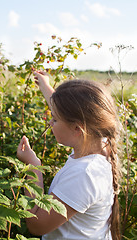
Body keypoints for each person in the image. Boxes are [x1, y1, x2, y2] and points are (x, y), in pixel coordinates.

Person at [16, 70, 121, 240]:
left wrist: (33, 167)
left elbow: (37, 225)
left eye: (54, 119)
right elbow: (69, 112)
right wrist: (45, 85)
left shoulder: (84, 175)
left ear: (77, 129)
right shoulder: (97, 142)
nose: (50, 123)